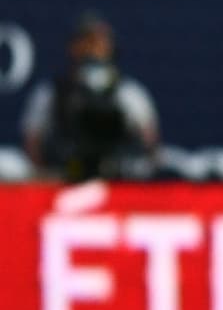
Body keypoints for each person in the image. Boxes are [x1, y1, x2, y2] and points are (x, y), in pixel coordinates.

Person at [21, 11, 161, 182]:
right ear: (73, 46)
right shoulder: (52, 92)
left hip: (119, 180)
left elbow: (150, 145)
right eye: (86, 41)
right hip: (66, 177)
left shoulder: (128, 93)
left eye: (99, 42)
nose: (93, 48)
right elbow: (32, 141)